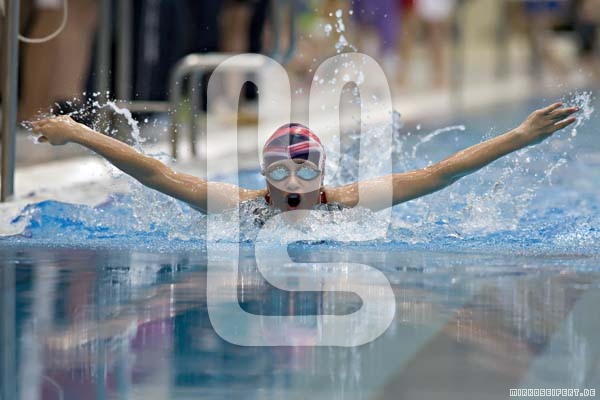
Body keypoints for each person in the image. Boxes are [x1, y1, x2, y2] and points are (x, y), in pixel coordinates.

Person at [29, 103, 578, 218]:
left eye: (306, 171)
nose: (293, 183)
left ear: (324, 174)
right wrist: (77, 132)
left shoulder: (347, 203)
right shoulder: (240, 206)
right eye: (280, 171)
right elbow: (157, 173)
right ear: (263, 175)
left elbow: (440, 173)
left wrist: (520, 135)